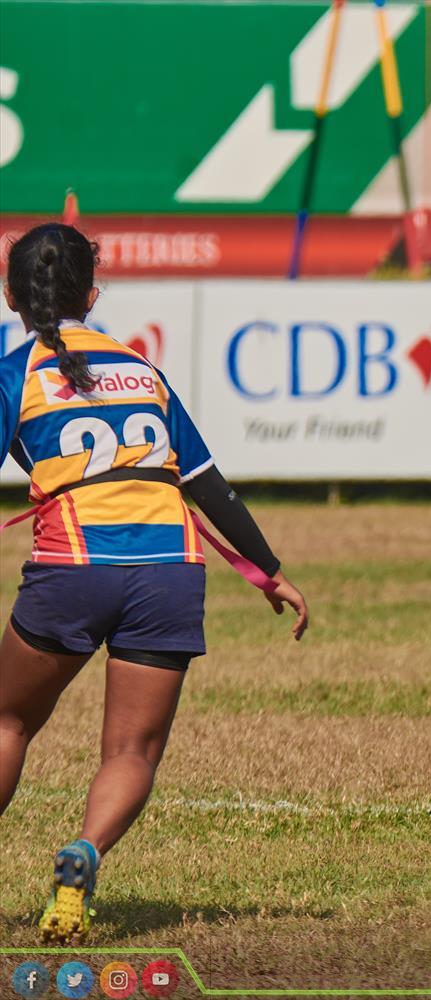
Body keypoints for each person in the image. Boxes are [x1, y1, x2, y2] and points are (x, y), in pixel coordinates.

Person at [0, 223, 310, 939]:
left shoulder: (15, 375)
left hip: (72, 570)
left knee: (10, 720)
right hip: (171, 571)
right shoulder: (143, 369)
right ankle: (83, 855)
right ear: (95, 293)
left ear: (11, 293)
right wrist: (270, 572)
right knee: (131, 753)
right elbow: (210, 485)